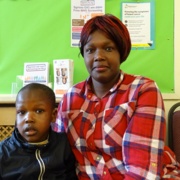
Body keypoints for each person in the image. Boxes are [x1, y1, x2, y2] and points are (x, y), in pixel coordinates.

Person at [52, 14, 180, 179]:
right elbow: (59, 157)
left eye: (108, 48)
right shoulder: (70, 98)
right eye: (90, 50)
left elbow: (141, 172)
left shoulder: (143, 91)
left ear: (121, 52)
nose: (99, 56)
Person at [0, 83, 78, 180]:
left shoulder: (63, 144)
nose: (28, 119)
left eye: (39, 111)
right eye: (21, 112)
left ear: (53, 115)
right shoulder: (3, 152)